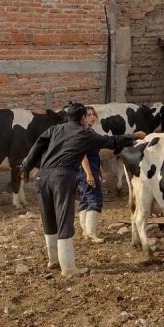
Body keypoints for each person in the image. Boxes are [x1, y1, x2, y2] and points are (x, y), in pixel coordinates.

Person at [20, 102, 145, 276]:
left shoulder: (54, 129)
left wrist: (26, 166)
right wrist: (134, 136)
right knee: (64, 219)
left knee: (48, 218)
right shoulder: (85, 133)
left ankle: (53, 260)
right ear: (83, 118)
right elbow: (111, 141)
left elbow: (37, 146)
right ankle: (68, 268)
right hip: (62, 177)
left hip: (42, 177)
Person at [77, 106, 105, 243]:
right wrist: (89, 174)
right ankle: (91, 233)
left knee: (85, 199)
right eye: (88, 115)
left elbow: (94, 155)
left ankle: (85, 231)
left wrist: (100, 170)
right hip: (86, 170)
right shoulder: (84, 133)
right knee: (95, 199)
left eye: (93, 114)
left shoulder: (90, 132)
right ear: (83, 118)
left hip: (89, 169)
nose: (92, 117)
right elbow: (82, 155)